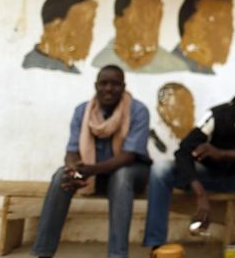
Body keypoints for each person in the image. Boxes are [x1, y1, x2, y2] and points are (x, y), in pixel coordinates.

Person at [30, 65, 151, 258]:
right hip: (92, 175)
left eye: (115, 84)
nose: (109, 89)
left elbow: (129, 156)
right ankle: (42, 252)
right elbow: (71, 152)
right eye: (104, 83)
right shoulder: (82, 111)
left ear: (123, 86)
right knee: (61, 175)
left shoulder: (138, 111)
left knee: (121, 176)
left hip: (131, 175)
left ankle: (117, 255)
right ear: (96, 86)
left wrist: (91, 170)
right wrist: (73, 169)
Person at [143, 83, 235, 258]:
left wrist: (222, 154)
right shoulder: (216, 115)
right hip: (206, 177)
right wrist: (199, 193)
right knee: (160, 169)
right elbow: (183, 151)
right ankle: (157, 247)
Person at [92, 0, 187, 73]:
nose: (151, 26)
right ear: (119, 23)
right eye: (142, 18)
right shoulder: (100, 64)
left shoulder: (175, 67)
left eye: (156, 18)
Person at [23, 0, 98, 73]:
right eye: (83, 27)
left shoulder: (69, 68)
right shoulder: (33, 70)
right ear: (56, 27)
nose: (89, 36)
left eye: (91, 26)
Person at [171, 0, 234, 74]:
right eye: (215, 21)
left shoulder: (205, 69)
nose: (228, 32)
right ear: (189, 27)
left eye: (228, 23)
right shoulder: (172, 67)